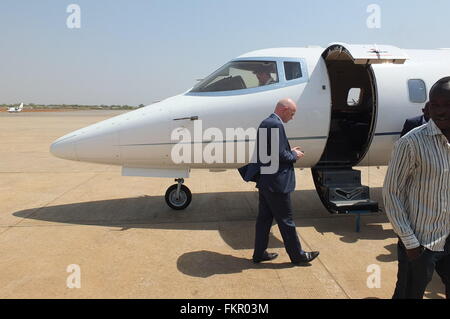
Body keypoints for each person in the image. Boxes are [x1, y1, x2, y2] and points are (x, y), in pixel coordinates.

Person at [383, 77, 450, 299]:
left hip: (448, 236)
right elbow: (392, 193)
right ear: (428, 107)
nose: (441, 111)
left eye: (447, 104)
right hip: (420, 243)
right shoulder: (411, 143)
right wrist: (409, 241)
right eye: (436, 105)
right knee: (408, 293)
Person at [239, 98, 320, 264]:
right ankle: (298, 256)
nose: (292, 117)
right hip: (276, 182)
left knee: (264, 220)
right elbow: (280, 155)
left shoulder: (266, 122)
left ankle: (259, 254)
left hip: (266, 180)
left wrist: (287, 151)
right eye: (292, 113)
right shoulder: (276, 124)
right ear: (284, 109)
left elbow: (270, 151)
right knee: (286, 221)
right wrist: (293, 155)